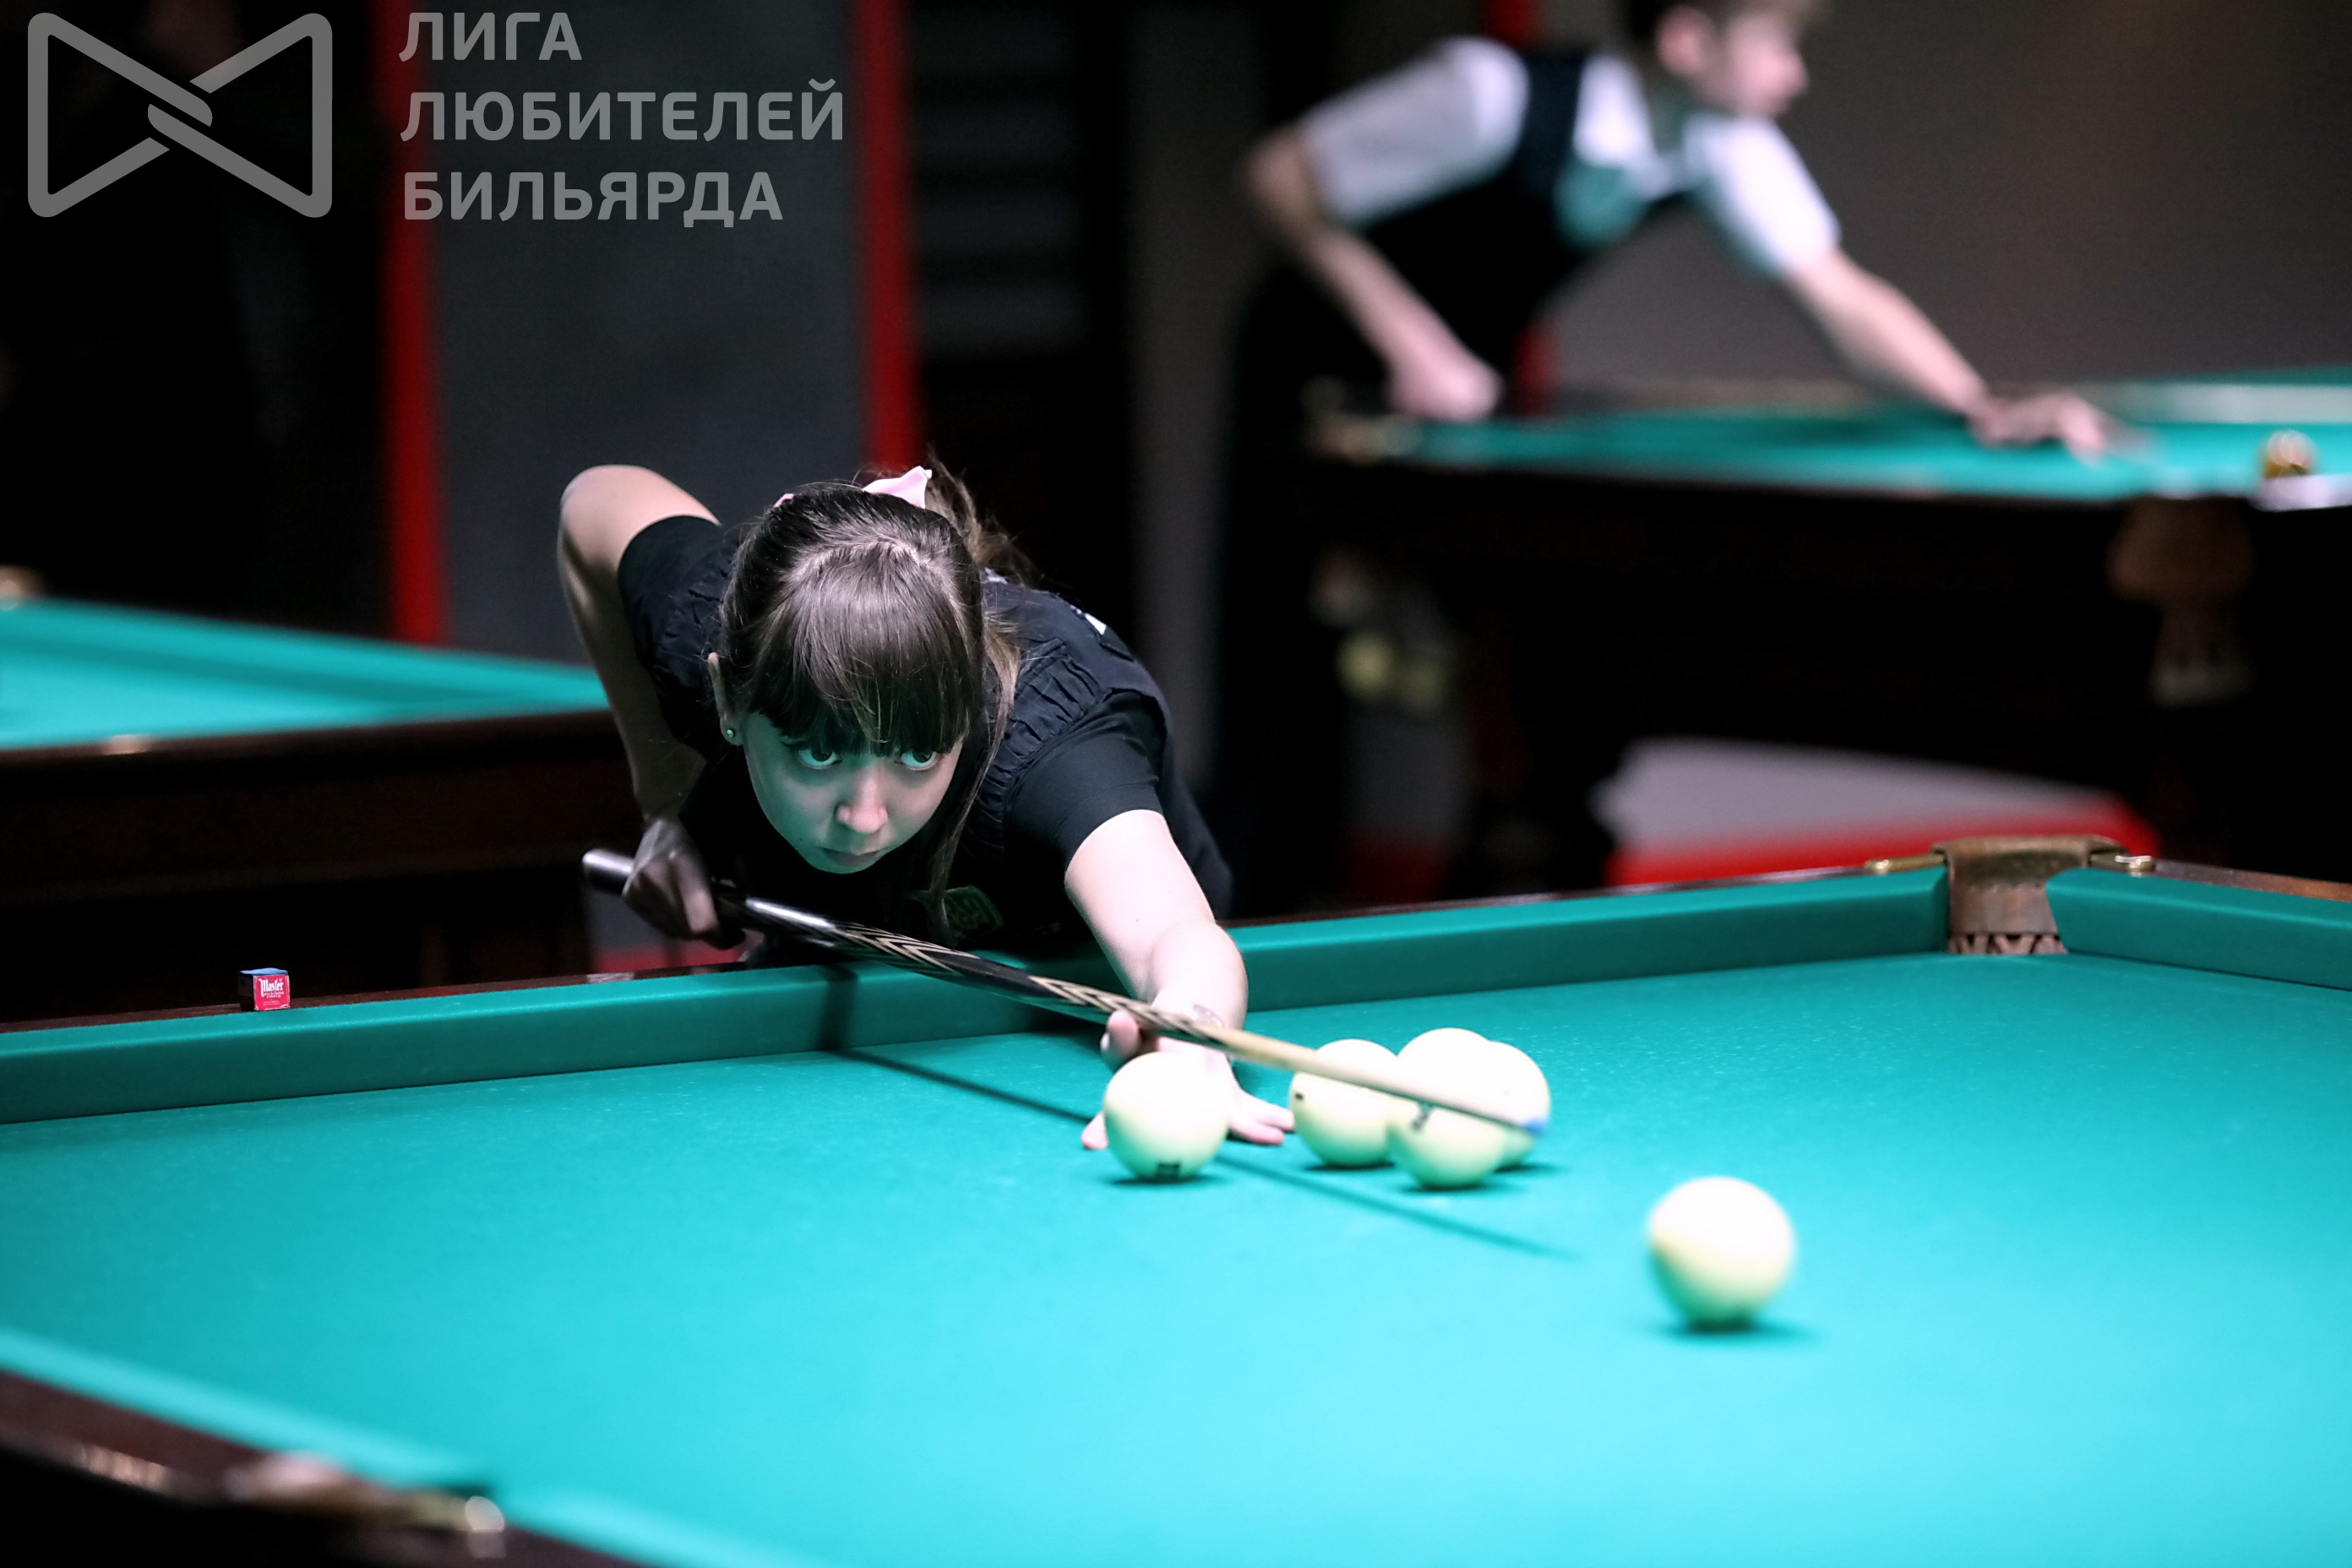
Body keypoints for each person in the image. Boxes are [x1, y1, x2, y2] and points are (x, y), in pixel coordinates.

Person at [1211, 0, 2117, 910]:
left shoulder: (1715, 141)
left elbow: (1840, 295)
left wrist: (1977, 405)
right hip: (1311, 378)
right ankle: (1228, 924)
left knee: (1495, 681)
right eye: (1777, 43)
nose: (1795, 73)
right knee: (1275, 670)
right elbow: (1278, 176)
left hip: (1457, 406)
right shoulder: (1489, 93)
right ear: (1687, 39)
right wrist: (1411, 340)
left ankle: (1463, 913)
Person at [558, 461, 1290, 1152]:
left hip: (1083, 967)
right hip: (837, 957)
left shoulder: (1052, 748)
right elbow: (595, 503)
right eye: (819, 756)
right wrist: (668, 805)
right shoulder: (720, 624)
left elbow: (1172, 933)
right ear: (728, 698)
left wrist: (1191, 1032)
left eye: (916, 756)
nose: (865, 816)